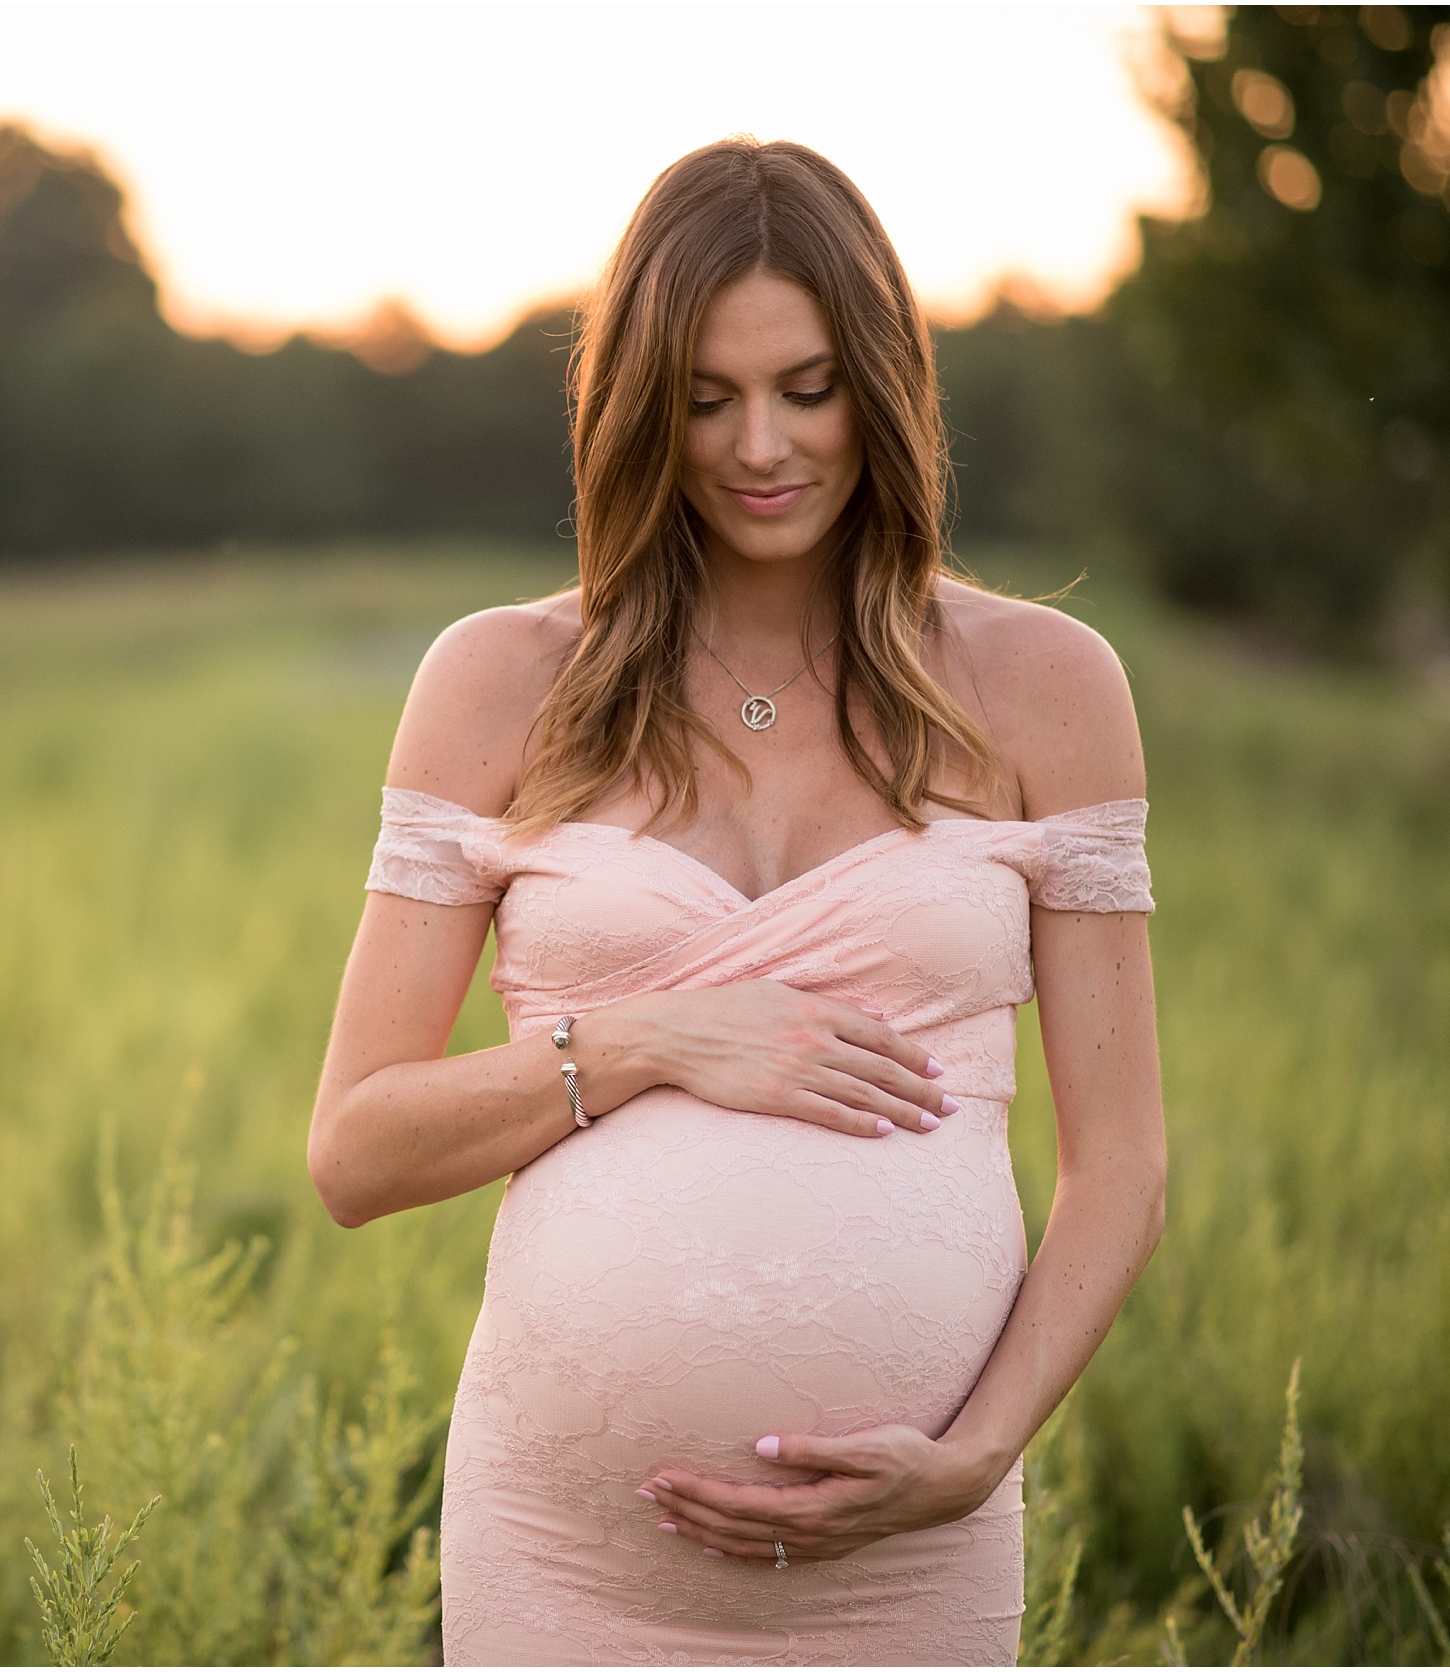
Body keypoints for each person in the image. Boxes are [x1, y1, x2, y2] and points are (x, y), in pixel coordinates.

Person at [306, 137, 1167, 1666]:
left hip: (912, 1557)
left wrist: (974, 1461)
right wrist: (643, 1040)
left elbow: (1121, 1166)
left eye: (808, 387)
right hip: (567, 1558)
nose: (761, 444)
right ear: (639, 410)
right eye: (706, 400)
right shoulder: (500, 683)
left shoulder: (1045, 687)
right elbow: (355, 1151)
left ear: (884, 386)